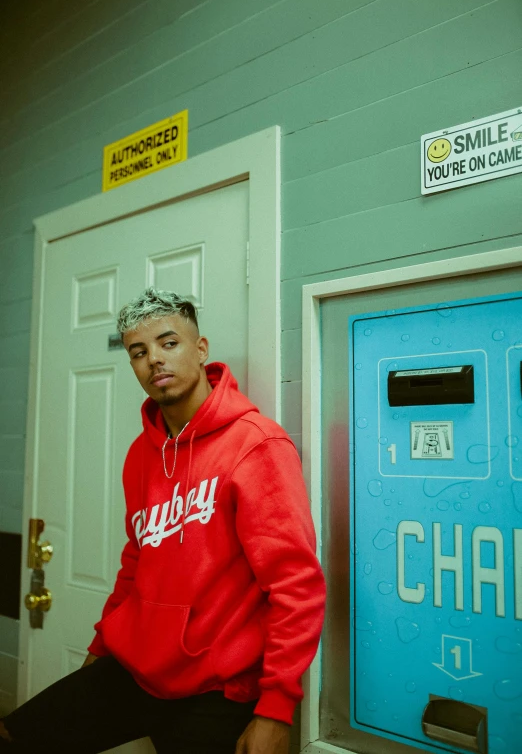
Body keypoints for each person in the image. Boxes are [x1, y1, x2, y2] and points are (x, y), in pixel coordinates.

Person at [1, 287, 326, 753]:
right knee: (19, 736)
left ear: (200, 349)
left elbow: (296, 586)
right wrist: (101, 645)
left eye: (168, 343)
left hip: (219, 690)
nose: (154, 359)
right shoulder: (141, 454)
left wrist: (276, 710)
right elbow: (137, 558)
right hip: (135, 669)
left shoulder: (256, 446)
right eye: (139, 351)